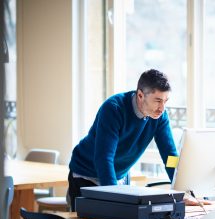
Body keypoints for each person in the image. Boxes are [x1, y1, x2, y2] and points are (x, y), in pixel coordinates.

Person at [67, 69, 179, 211]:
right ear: (140, 95)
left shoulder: (160, 117)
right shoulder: (114, 109)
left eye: (165, 101)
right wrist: (116, 197)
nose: (162, 108)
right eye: (157, 101)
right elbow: (104, 158)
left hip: (119, 176)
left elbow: (170, 155)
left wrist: (180, 188)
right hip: (86, 174)